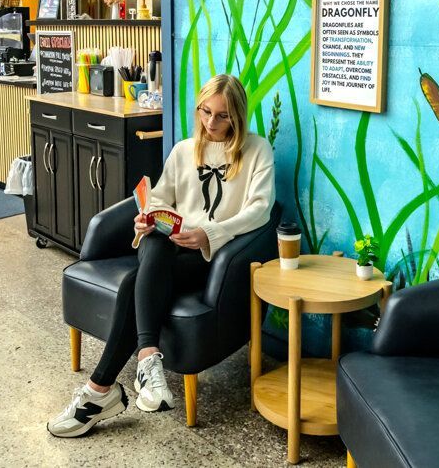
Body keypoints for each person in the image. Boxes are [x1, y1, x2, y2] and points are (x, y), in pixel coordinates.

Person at [47, 74, 275, 438]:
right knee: (153, 240)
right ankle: (144, 364)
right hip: (168, 247)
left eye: (222, 116)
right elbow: (161, 199)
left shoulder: (257, 150)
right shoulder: (184, 150)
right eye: (205, 112)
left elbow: (260, 210)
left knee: (134, 282)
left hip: (210, 257)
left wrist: (209, 234)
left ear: (238, 116)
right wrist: (144, 219)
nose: (211, 122)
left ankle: (100, 391)